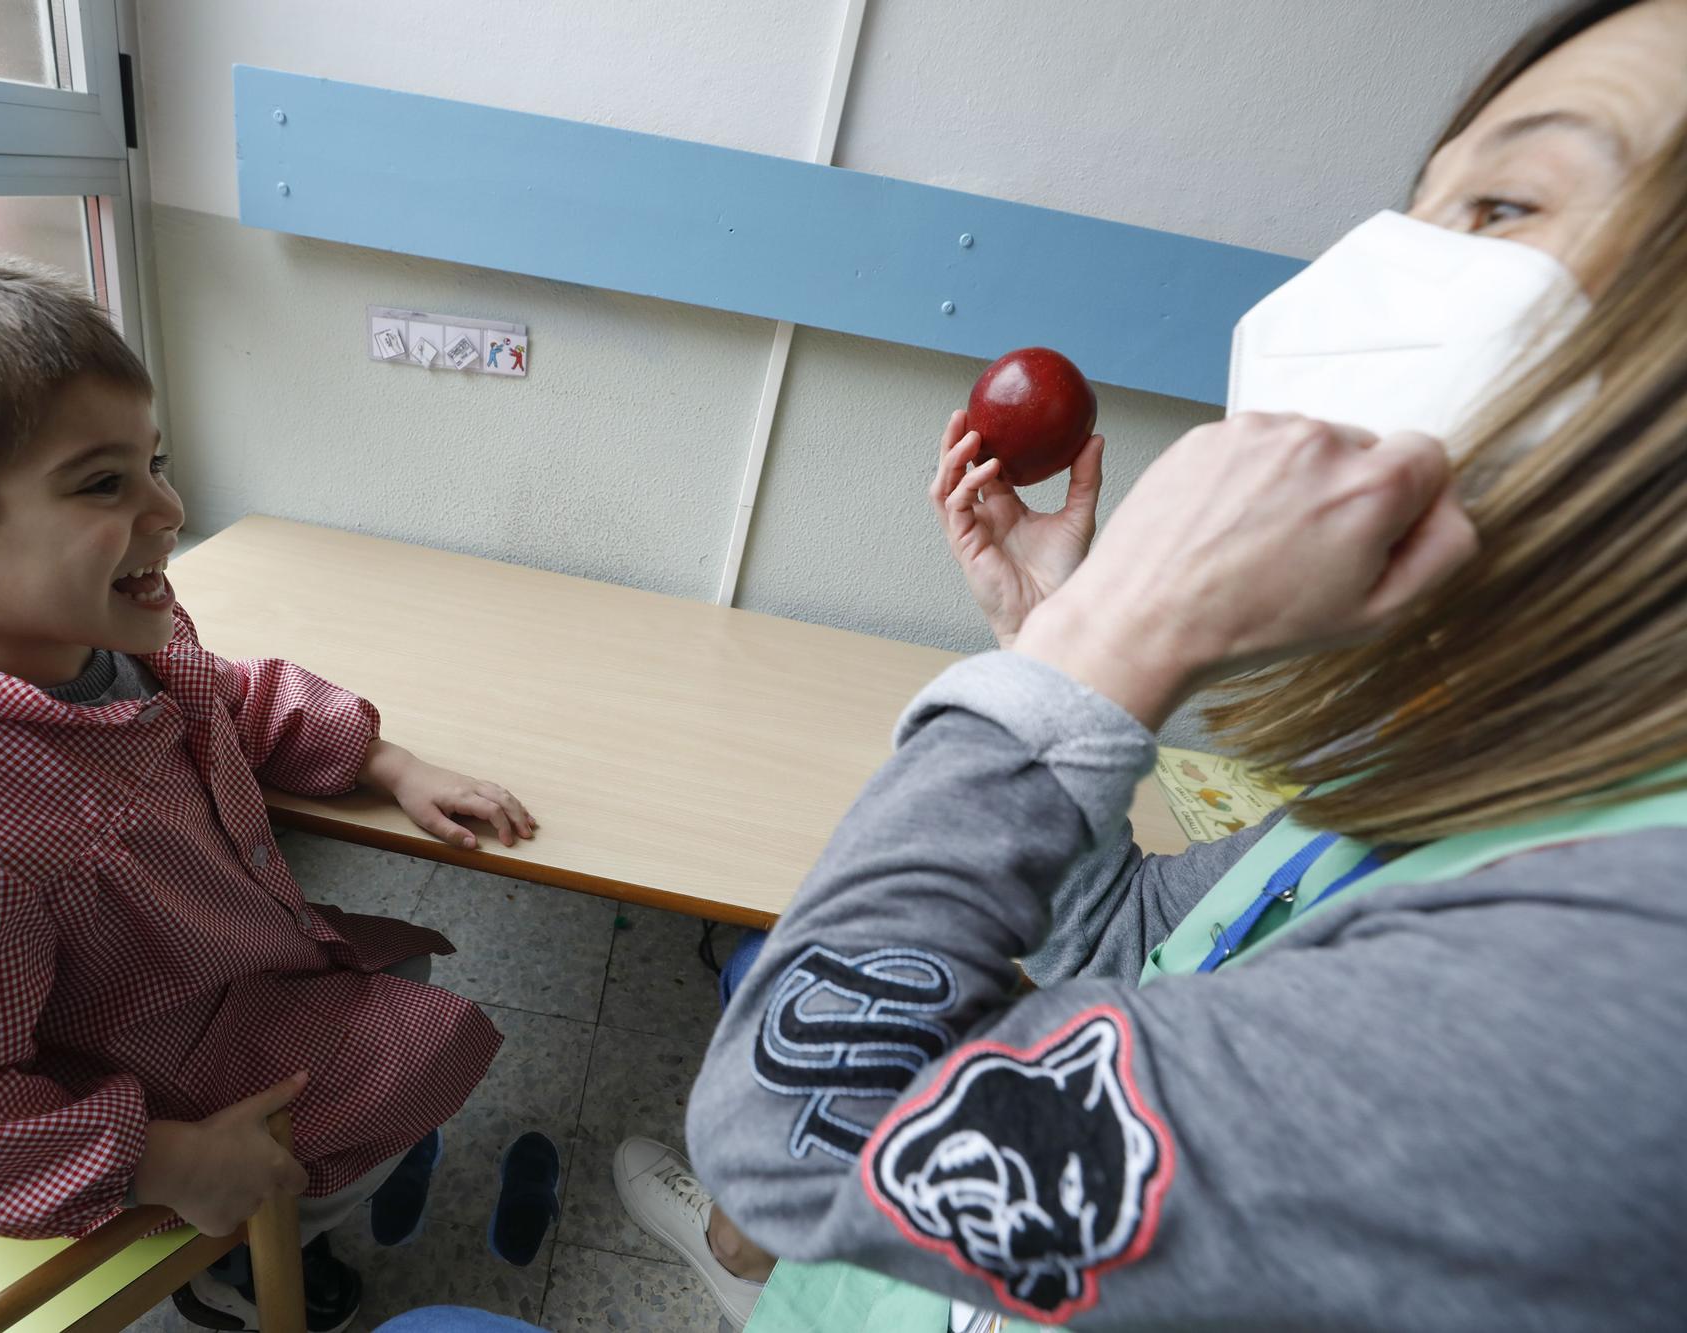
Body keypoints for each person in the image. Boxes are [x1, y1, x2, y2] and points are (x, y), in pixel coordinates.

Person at [680, 0, 1687, 1328]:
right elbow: (1141, 939)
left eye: (1501, 206)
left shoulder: (1624, 982)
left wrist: (1115, 648)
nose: (1386, 272)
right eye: (1418, 204)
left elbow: (799, 1128)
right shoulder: (1529, 772)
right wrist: (1058, 640)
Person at [0, 231, 538, 1333]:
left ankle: (304, 1203)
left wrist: (386, 760)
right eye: (103, 482)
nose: (168, 506)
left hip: (218, 980)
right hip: (140, 1095)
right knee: (411, 1053)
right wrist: (163, 1162)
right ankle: (241, 1265)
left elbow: (232, 697)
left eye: (152, 459)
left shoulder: (101, 634)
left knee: (412, 1029)